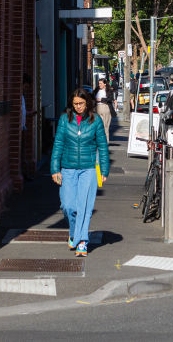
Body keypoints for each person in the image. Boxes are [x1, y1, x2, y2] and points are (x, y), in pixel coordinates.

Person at [51, 88, 109, 257]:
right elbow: (58, 144)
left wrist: (104, 169)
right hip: (67, 168)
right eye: (75, 104)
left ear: (87, 103)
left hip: (88, 168)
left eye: (81, 103)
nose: (78, 107)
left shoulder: (95, 120)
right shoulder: (64, 120)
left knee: (84, 206)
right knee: (68, 205)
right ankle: (75, 233)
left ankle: (82, 241)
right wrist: (55, 169)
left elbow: (103, 147)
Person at [94, 77, 112, 143]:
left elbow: (110, 99)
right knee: (98, 125)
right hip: (97, 107)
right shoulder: (97, 90)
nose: (99, 85)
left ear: (105, 84)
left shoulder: (108, 90)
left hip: (105, 107)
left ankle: (106, 141)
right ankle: (98, 140)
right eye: (99, 83)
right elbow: (93, 96)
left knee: (105, 125)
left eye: (101, 83)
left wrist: (101, 99)